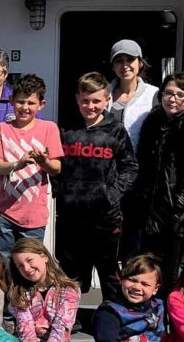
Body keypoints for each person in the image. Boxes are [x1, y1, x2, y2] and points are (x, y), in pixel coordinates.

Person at [53, 72, 137, 303]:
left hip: (105, 216)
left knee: (108, 272)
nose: (90, 106)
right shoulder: (65, 129)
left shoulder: (116, 130)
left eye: (96, 101)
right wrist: (61, 191)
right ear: (77, 99)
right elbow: (54, 165)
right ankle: (70, 317)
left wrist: (111, 194)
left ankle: (111, 315)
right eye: (85, 101)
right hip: (71, 215)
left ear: (107, 100)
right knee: (70, 274)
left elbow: (130, 167)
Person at [132, 73, 184, 299]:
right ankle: (150, 313)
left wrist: (176, 207)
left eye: (180, 95)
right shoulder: (154, 120)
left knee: (168, 272)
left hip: (176, 213)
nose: (172, 99)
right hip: (149, 209)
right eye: (168, 93)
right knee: (147, 266)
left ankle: (169, 315)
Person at [0, 74, 63, 259]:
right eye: (20, 102)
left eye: (31, 103)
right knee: (5, 263)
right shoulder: (0, 129)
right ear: (11, 101)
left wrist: (43, 162)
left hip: (33, 215)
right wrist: (18, 164)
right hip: (3, 213)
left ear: (41, 104)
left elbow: (56, 168)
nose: (25, 107)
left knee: (30, 263)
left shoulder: (49, 128)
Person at [107, 39, 158, 152]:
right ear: (113, 66)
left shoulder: (153, 94)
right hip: (108, 160)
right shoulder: (103, 94)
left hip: (140, 161)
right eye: (119, 61)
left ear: (140, 63)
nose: (125, 66)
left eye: (130, 59)